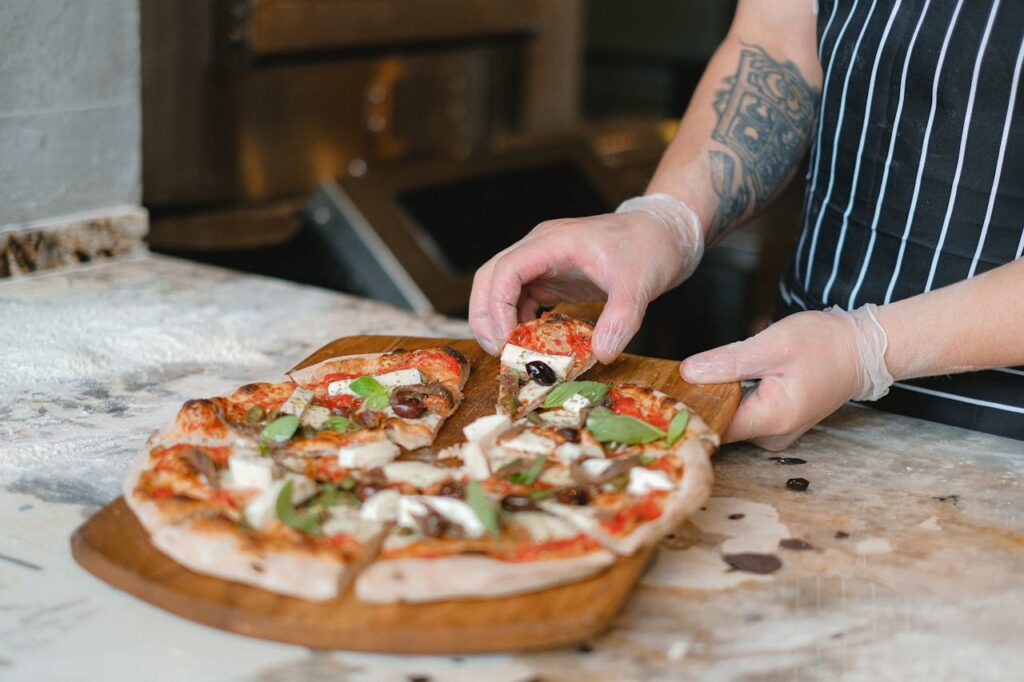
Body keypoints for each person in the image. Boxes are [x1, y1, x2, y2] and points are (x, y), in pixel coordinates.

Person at [469, 0, 1024, 449]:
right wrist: (668, 219)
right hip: (799, 376)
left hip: (1004, 440)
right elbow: (777, 38)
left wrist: (865, 350)